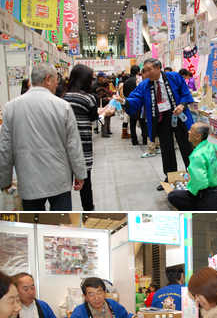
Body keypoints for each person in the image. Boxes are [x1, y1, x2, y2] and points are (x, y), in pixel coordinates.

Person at [0, 62, 87, 211]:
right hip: (58, 177)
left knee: (34, 221)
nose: (56, 84)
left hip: (28, 177)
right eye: (55, 80)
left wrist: (4, 179)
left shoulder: (11, 107)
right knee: (61, 222)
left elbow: (5, 147)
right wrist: (80, 174)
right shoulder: (62, 106)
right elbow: (73, 144)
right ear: (48, 79)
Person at [115, 58, 194, 191]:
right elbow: (136, 98)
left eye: (149, 70)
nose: (146, 74)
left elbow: (185, 92)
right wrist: (123, 101)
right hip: (161, 119)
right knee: (166, 149)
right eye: (144, 71)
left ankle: (192, 174)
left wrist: (182, 105)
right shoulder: (145, 84)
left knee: (187, 146)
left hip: (179, 115)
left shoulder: (174, 77)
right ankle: (170, 177)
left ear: (158, 68)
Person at [62, 64, 114, 211]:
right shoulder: (88, 98)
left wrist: (101, 111)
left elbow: (85, 114)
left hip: (64, 148)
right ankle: (88, 210)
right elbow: (95, 121)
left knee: (65, 186)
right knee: (85, 184)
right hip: (82, 147)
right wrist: (105, 113)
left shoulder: (63, 98)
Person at [168, 122, 217, 211]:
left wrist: (190, 180)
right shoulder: (214, 147)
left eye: (191, 130)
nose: (188, 132)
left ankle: (198, 211)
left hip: (207, 198)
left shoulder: (197, 155)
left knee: (172, 196)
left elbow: (200, 184)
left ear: (198, 136)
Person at [123, 64, 148, 146]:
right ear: (138, 72)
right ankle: (144, 139)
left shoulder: (126, 81)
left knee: (132, 123)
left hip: (129, 104)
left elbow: (124, 93)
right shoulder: (139, 80)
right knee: (143, 122)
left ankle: (134, 140)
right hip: (139, 104)